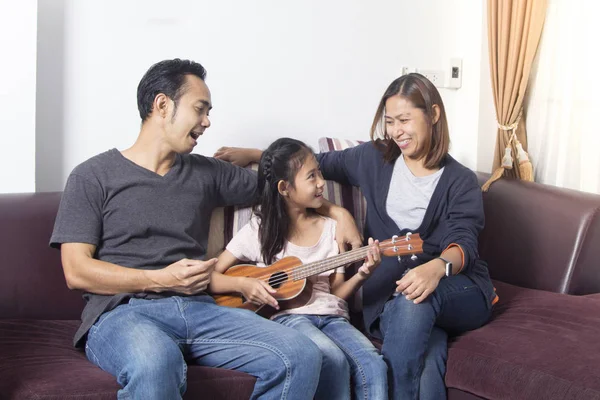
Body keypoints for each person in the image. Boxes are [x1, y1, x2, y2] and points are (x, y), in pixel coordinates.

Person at [50, 58, 361, 400]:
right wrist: (160, 278)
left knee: (301, 353)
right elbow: (76, 270)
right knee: (156, 362)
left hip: (199, 310)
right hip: (122, 313)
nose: (207, 122)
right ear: (162, 105)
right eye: (200, 109)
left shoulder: (207, 173)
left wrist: (337, 211)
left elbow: (285, 186)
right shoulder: (93, 176)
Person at [214, 73, 498, 400]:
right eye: (390, 121)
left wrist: (436, 268)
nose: (396, 131)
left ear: (433, 115)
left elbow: (464, 241)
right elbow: (311, 169)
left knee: (416, 297)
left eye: (405, 120)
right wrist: (256, 154)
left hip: (460, 289)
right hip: (393, 302)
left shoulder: (460, 181)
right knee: (430, 351)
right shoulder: (375, 158)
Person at [209, 138, 388, 400]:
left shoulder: (331, 228)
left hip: (334, 317)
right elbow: (212, 276)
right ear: (285, 188)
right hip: (288, 318)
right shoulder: (260, 231)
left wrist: (363, 273)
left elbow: (336, 293)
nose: (321, 182)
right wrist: (243, 285)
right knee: (333, 359)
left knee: (373, 364)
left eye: (320, 173)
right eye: (311, 176)